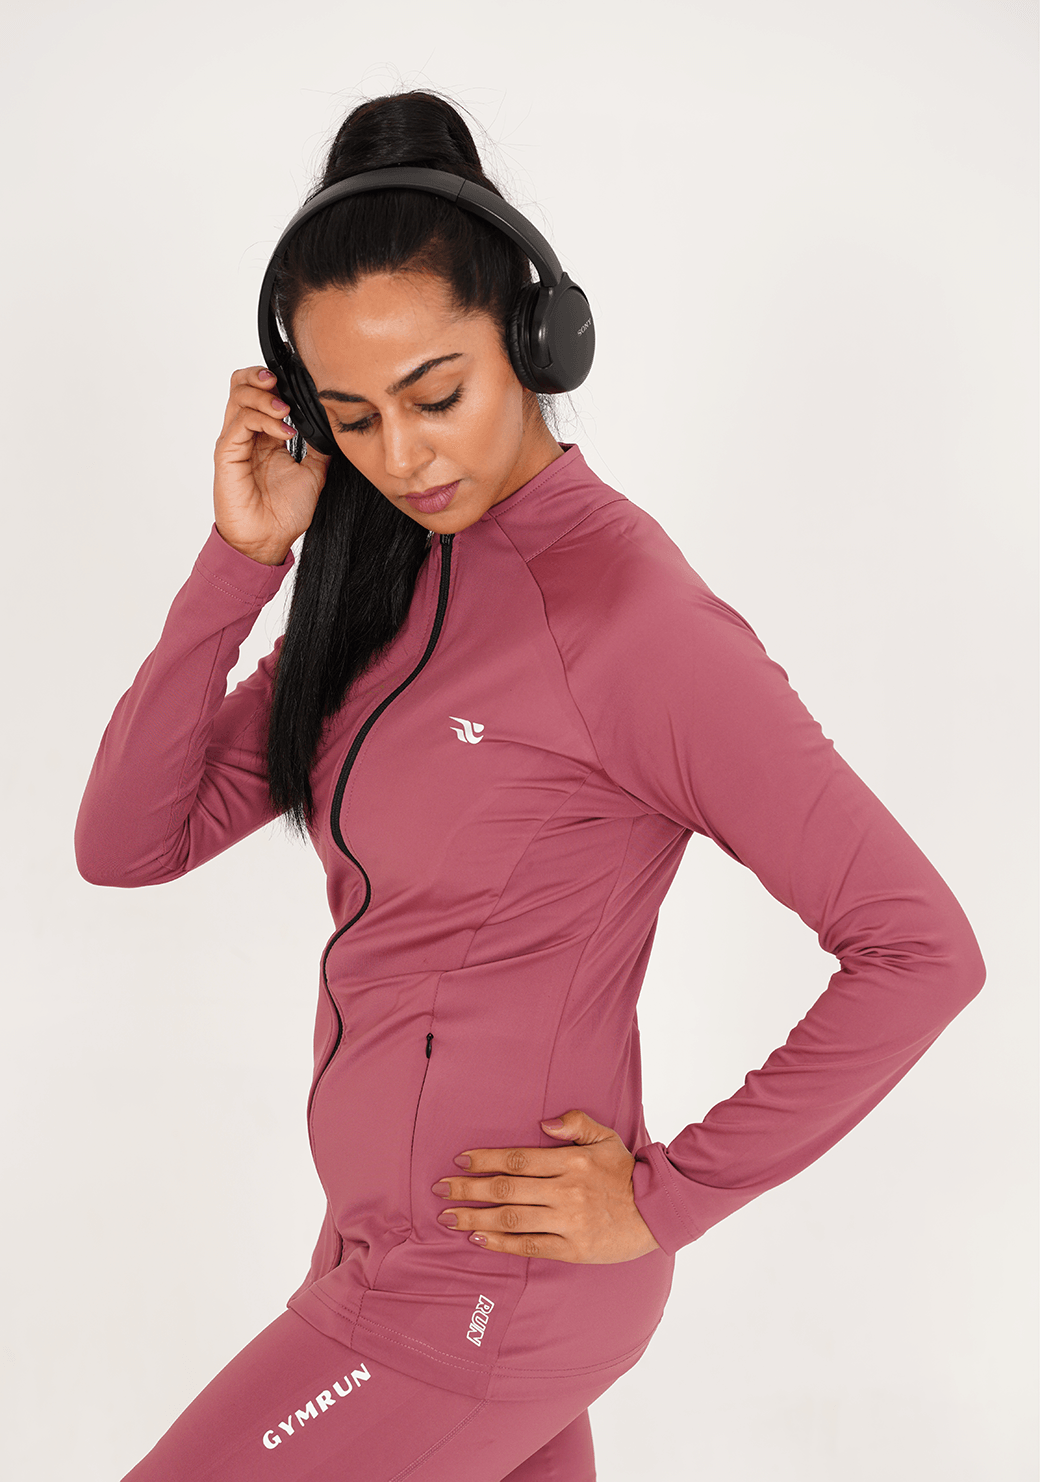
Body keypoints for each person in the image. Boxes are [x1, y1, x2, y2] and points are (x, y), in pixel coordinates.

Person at [74, 88, 987, 1482]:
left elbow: (920, 949)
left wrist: (670, 1195)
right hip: (387, 1261)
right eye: (352, 417)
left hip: (483, 1294)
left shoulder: (630, 621)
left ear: (535, 334)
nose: (402, 456)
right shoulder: (380, 588)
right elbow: (127, 841)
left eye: (436, 395)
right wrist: (241, 559)